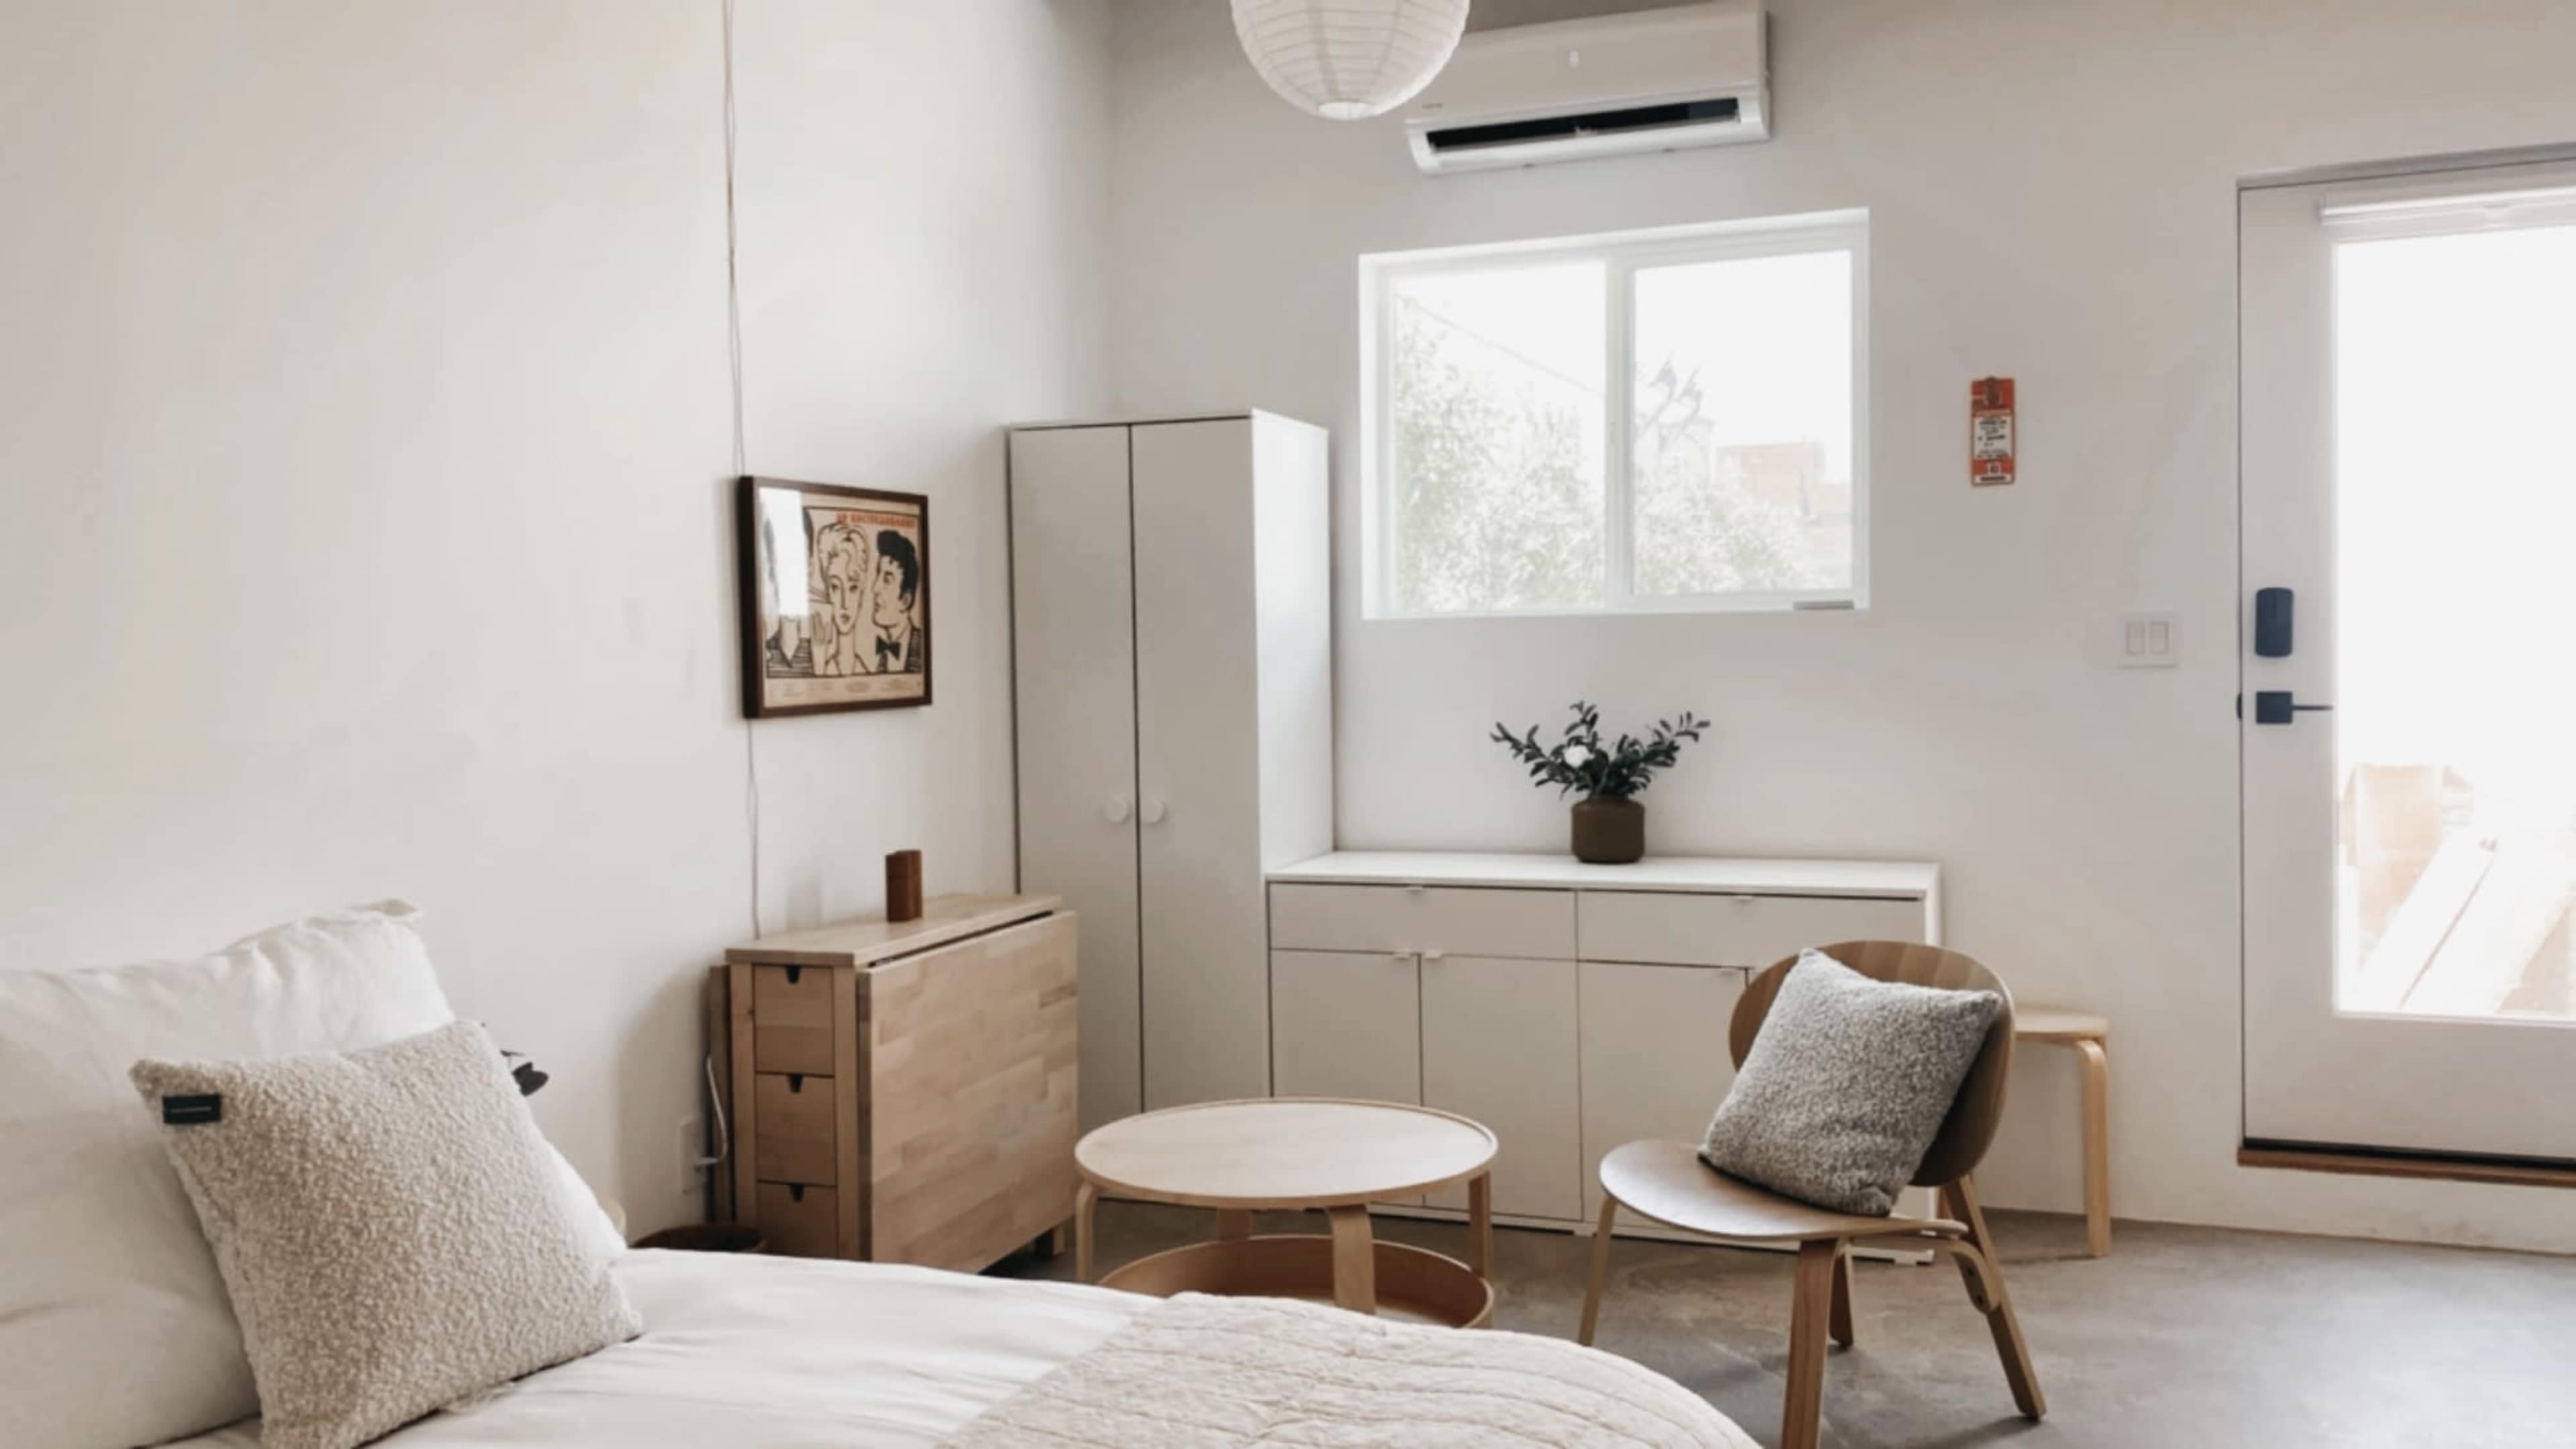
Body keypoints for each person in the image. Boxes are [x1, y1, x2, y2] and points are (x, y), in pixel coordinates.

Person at [811, 523, 873, 677]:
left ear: (862, 592)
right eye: (835, 587)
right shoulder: (821, 671)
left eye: (852, 588)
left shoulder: (868, 674)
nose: (844, 604)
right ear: (827, 591)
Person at [869, 528, 923, 674]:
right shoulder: (876, 656)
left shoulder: (921, 648)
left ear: (905, 600)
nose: (875, 588)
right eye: (878, 575)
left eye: (887, 580)